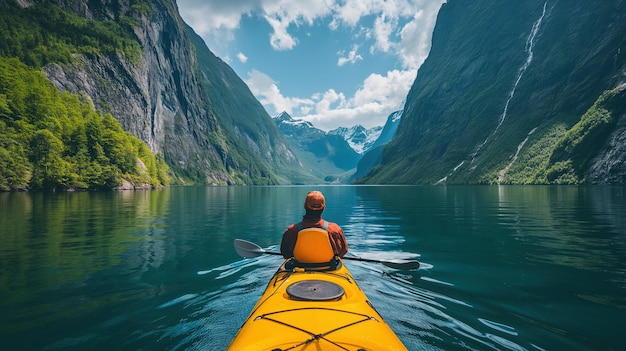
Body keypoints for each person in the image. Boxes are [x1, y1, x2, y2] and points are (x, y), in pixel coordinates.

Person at [280, 191, 348, 262]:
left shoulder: (291, 231)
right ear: (324, 207)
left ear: (304, 206)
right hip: (328, 268)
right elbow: (343, 250)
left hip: (298, 269)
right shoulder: (334, 229)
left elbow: (285, 253)